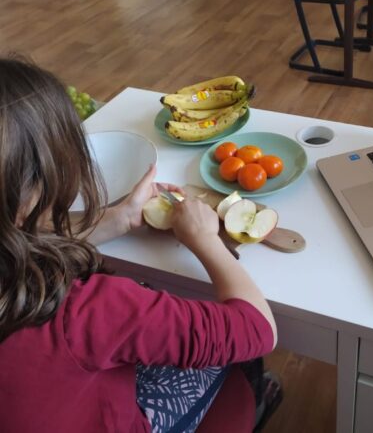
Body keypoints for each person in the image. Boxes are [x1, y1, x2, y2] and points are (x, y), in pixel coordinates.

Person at [0, 57, 279, 432]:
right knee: (239, 354)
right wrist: (205, 240)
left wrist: (115, 221)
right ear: (34, 190)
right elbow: (258, 328)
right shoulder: (85, 311)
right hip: (112, 419)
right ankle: (254, 400)